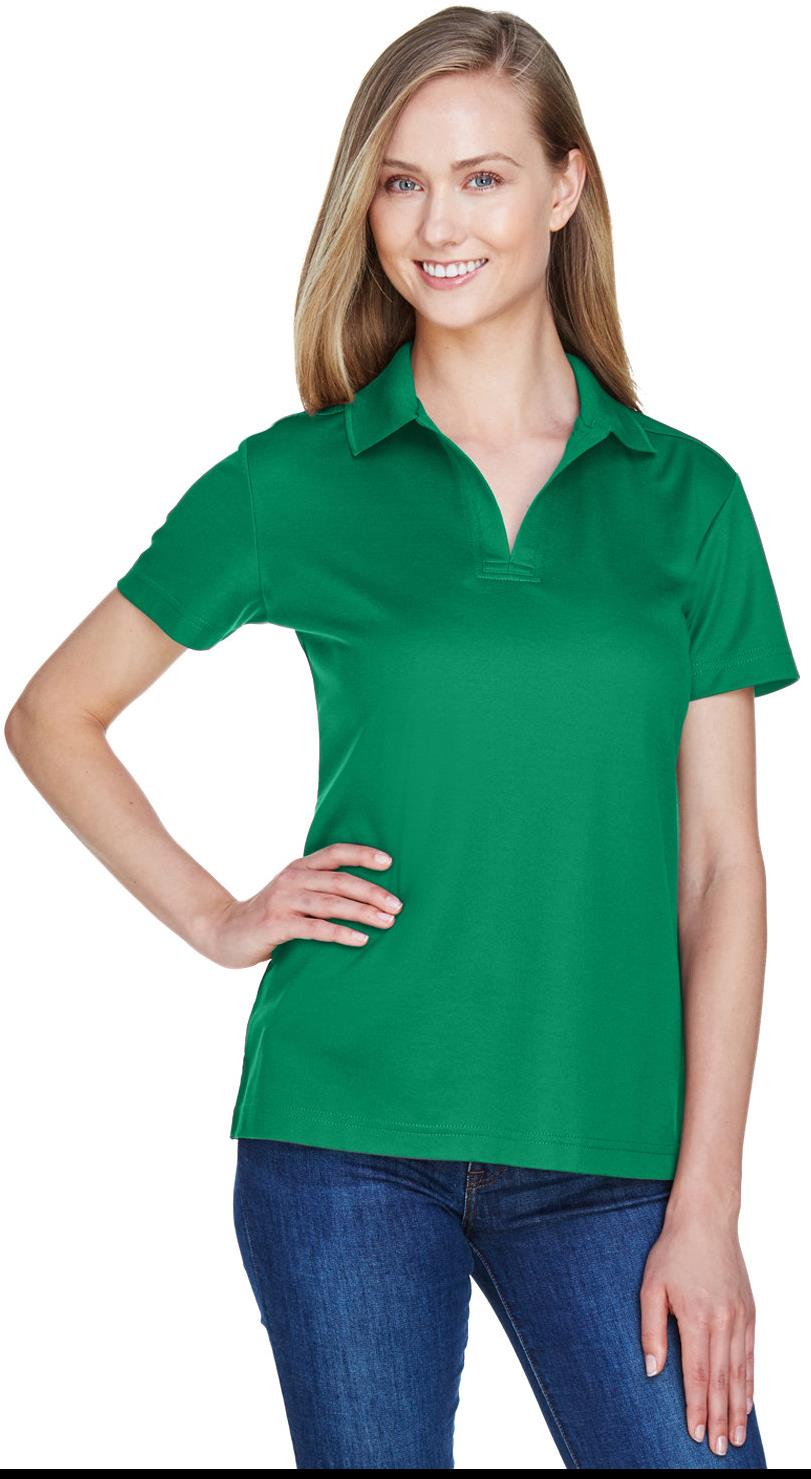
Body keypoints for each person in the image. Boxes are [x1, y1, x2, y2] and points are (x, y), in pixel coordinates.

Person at [5, 6, 800, 1470]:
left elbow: (722, 873)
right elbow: (54, 715)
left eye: (484, 178)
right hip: (345, 1141)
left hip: (615, 1156)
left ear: (565, 188)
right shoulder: (298, 481)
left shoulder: (686, 498)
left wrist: (709, 1204)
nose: (439, 224)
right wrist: (218, 917)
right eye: (400, 182)